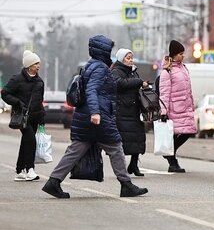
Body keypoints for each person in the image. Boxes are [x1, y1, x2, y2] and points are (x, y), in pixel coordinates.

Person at [42, 35, 148, 199]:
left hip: (86, 117)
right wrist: (95, 112)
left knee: (75, 150)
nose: (110, 53)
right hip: (98, 116)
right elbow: (92, 90)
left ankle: (53, 182)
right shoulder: (100, 68)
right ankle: (126, 185)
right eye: (109, 50)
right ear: (103, 51)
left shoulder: (91, 65)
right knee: (116, 147)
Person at [1, 50, 45, 181]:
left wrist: (42, 116)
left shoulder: (40, 81)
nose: (38, 66)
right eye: (35, 63)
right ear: (29, 65)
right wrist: (17, 103)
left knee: (26, 142)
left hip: (35, 117)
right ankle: (30, 169)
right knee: (31, 140)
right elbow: (5, 93)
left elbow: (40, 100)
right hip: (22, 116)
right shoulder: (17, 79)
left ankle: (20, 170)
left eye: (38, 63)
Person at [159, 39, 196, 173]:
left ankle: (170, 154)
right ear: (174, 55)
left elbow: (188, 89)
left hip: (185, 107)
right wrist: (163, 112)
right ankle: (172, 161)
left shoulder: (184, 68)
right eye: (180, 53)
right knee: (178, 133)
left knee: (189, 131)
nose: (183, 56)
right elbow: (164, 93)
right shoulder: (167, 72)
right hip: (174, 109)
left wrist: (192, 103)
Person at [111, 48, 148, 177]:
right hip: (123, 112)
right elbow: (118, 84)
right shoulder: (116, 70)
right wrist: (138, 82)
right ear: (121, 59)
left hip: (134, 111)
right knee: (124, 140)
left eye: (132, 57)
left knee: (137, 138)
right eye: (128, 58)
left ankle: (134, 165)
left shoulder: (133, 72)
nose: (131, 60)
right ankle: (122, 167)